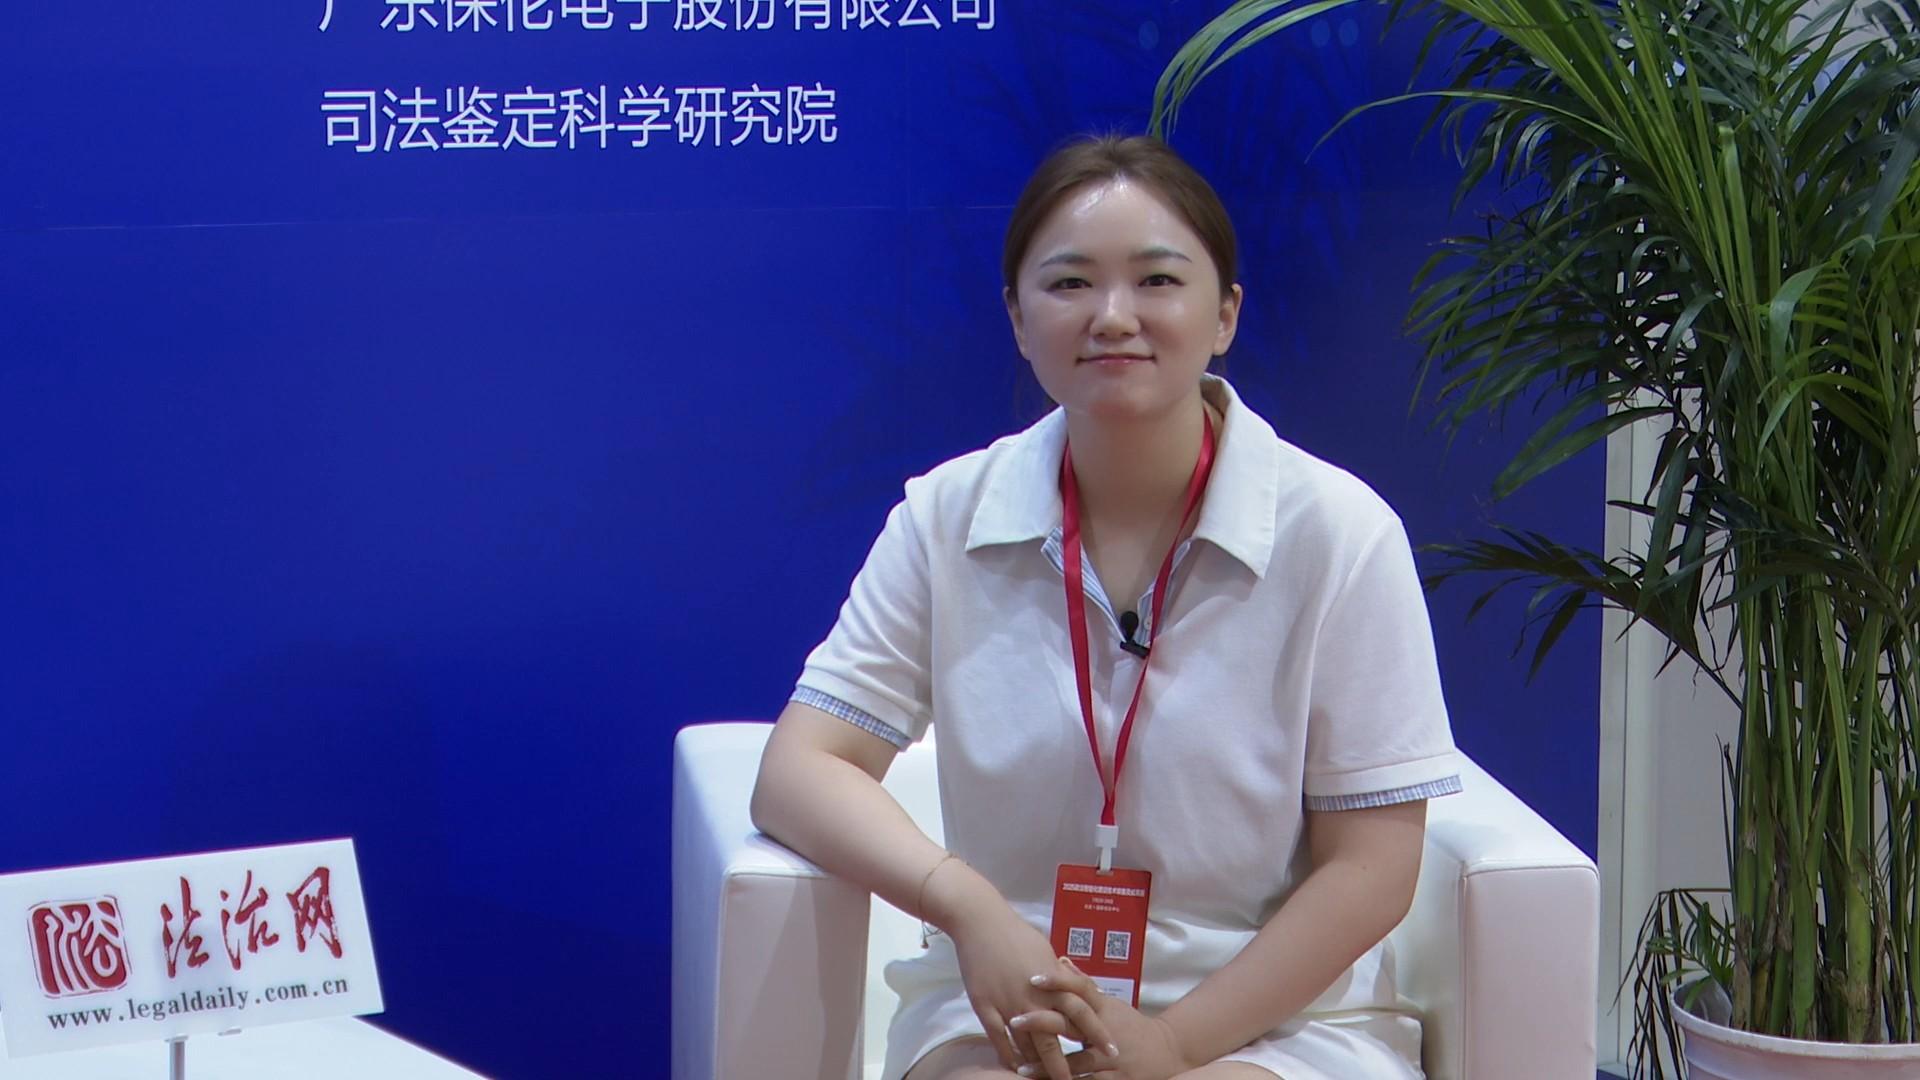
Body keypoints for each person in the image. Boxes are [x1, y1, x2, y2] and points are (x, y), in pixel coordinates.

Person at [751, 134, 1461, 1080]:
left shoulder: (1338, 533)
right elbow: (800, 768)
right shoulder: (947, 516)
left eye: (1158, 281)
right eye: (1070, 283)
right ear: (1017, 317)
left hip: (1283, 1022)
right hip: (1010, 1004)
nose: (1114, 316)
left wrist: (1173, 1043)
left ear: (1225, 314)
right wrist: (965, 905)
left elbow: (1372, 869)